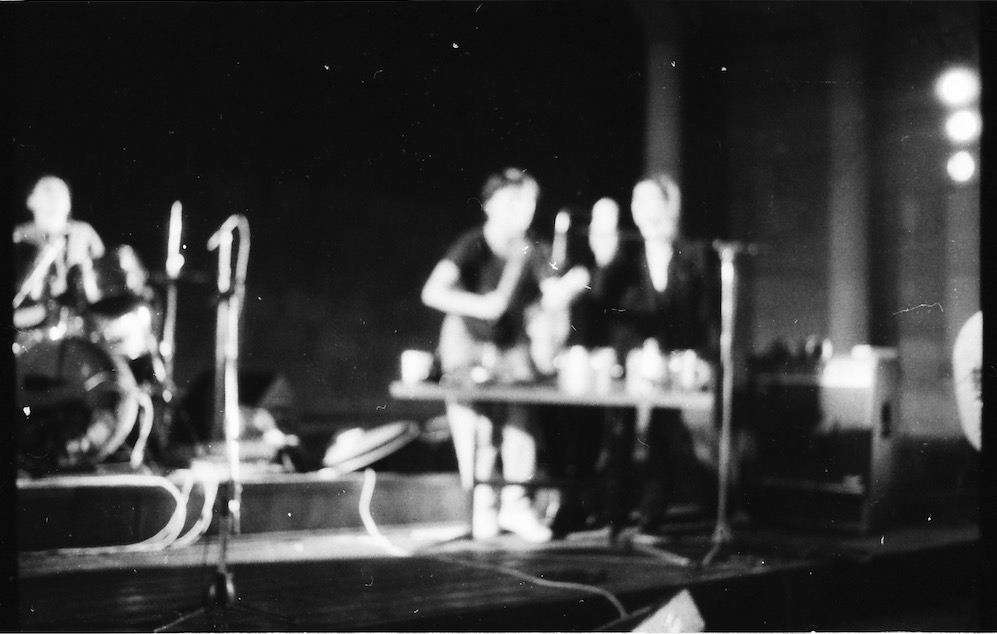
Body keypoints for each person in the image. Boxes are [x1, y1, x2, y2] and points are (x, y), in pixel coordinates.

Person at [421, 167, 588, 542]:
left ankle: (517, 504)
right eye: (514, 200)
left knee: (520, 425)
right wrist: (481, 305)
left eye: (529, 202)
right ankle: (481, 508)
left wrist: (570, 287)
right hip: (466, 344)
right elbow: (433, 291)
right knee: (475, 428)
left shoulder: (533, 248)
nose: (523, 209)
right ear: (491, 205)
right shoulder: (472, 244)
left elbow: (551, 294)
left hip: (511, 349)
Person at [582, 173, 719, 532]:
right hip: (628, 358)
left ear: (669, 206)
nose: (642, 209)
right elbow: (600, 296)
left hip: (674, 358)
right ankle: (614, 512)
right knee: (619, 432)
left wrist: (703, 356)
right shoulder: (625, 253)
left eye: (650, 200)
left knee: (665, 430)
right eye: (636, 201)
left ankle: (651, 511)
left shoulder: (693, 254)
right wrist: (604, 257)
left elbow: (707, 313)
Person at [13, 175, 105, 327]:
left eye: (59, 194)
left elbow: (102, 283)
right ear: (31, 202)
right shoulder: (19, 238)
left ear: (68, 204)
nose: (53, 200)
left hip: (79, 321)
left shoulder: (85, 233)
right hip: (31, 325)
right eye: (47, 193)